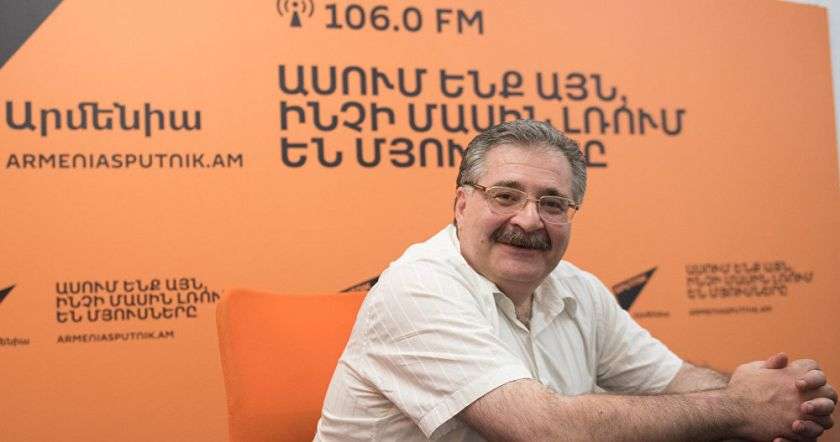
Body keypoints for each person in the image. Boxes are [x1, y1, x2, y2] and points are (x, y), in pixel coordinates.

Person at [315, 120, 836, 441]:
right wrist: (739, 408)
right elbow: (544, 430)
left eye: (552, 203)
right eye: (505, 196)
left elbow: (673, 381)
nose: (529, 220)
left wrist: (771, 396)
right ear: (461, 205)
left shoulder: (579, 289)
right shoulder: (417, 289)